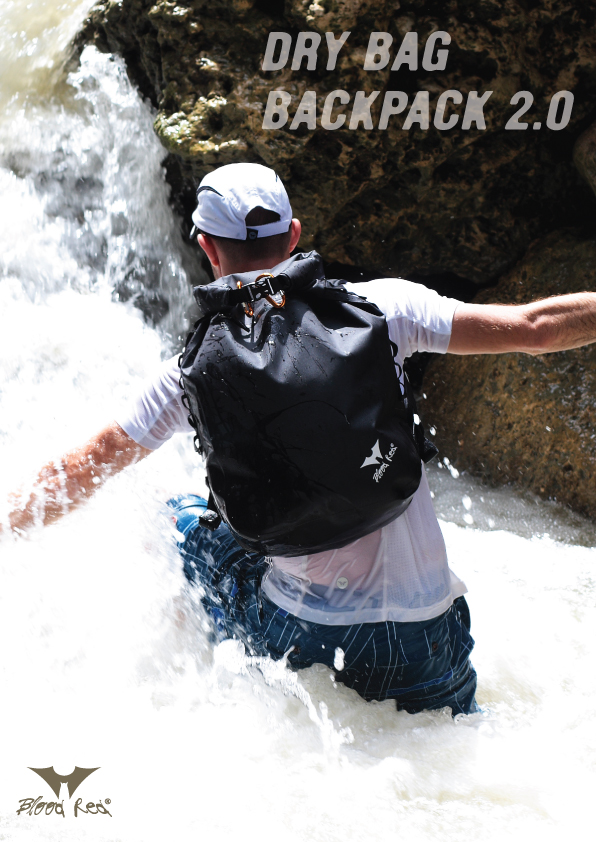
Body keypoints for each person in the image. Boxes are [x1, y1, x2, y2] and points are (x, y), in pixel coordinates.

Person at [3, 162, 596, 716]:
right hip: (428, 632)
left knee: (176, 521)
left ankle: (207, 698)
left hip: (308, 639)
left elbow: (82, 469)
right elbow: (535, 329)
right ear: (293, 236)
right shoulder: (383, 307)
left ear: (207, 249)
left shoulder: (190, 375)